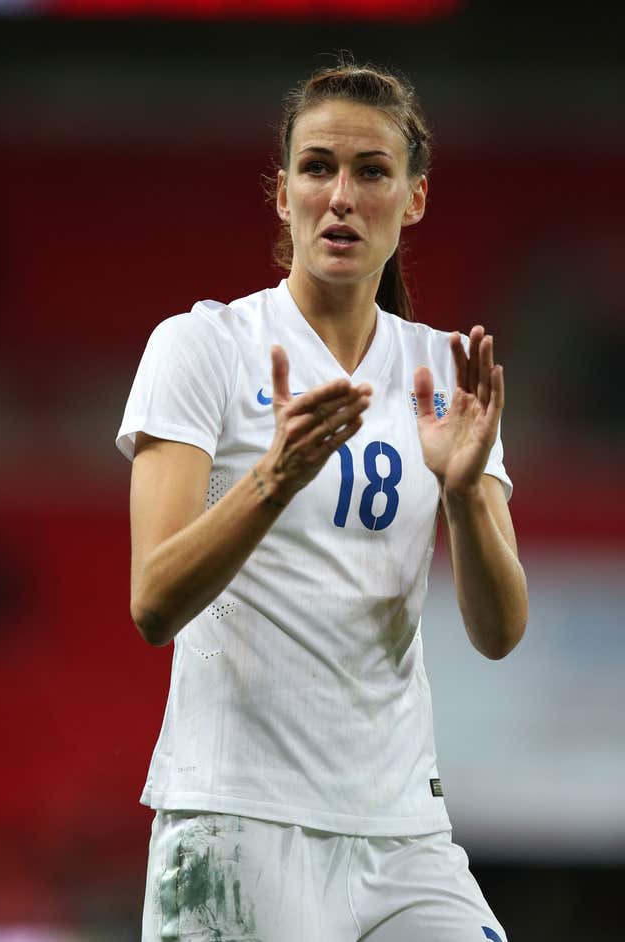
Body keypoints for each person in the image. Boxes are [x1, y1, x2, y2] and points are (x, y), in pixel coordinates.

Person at [115, 56, 528, 942]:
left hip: (405, 832)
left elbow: (499, 633)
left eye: (372, 171)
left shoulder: (446, 372)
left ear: (413, 198)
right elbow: (153, 602)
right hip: (235, 821)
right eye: (317, 167)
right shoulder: (203, 347)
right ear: (282, 192)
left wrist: (463, 495)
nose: (341, 194)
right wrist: (274, 476)